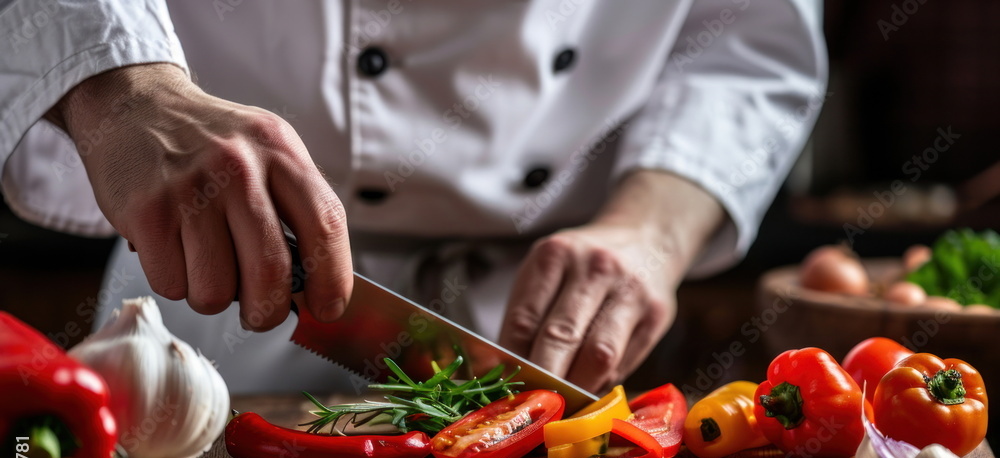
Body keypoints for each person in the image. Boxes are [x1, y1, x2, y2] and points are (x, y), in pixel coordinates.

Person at [0, 0, 827, 394]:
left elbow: (750, 34)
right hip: (214, 291)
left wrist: (651, 230)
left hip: (547, 323)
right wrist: (124, 86)